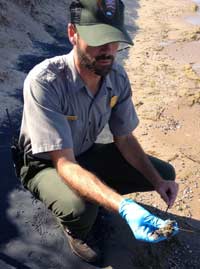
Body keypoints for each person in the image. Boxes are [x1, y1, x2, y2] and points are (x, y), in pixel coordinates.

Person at [18, 0, 179, 264]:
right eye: (98, 39)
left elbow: (124, 139)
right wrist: (123, 206)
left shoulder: (116, 77)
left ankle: (97, 193)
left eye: (113, 39)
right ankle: (76, 227)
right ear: (73, 34)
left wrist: (158, 182)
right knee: (80, 210)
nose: (107, 50)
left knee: (163, 174)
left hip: (83, 152)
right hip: (45, 163)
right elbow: (64, 162)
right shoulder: (45, 82)